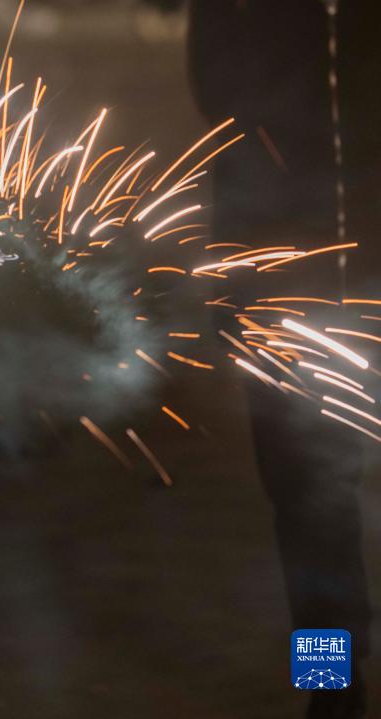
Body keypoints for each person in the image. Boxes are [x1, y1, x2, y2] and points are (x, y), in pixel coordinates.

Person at [185, 2, 377, 716]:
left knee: (310, 506)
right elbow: (224, 113)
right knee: (305, 504)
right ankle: (330, 682)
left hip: (336, 270)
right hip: (279, 288)